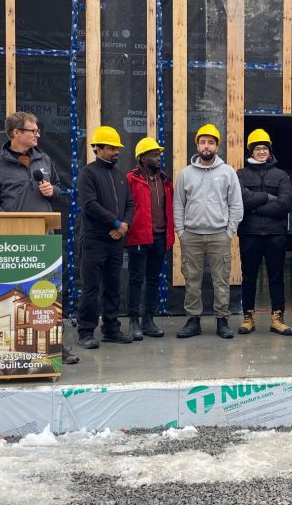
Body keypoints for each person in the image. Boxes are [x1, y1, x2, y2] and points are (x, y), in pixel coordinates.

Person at [0, 110, 79, 364]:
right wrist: (7, 221)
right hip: (10, 243)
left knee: (46, 295)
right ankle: (10, 349)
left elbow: (59, 189)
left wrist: (51, 189)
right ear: (16, 133)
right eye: (32, 130)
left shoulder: (43, 159)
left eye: (37, 130)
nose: (38, 134)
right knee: (14, 295)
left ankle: (52, 347)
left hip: (43, 236)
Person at [174, 123, 243, 340]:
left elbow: (236, 204)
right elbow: (178, 205)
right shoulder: (185, 174)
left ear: (217, 146)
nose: (206, 146)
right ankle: (193, 320)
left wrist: (229, 231)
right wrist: (181, 232)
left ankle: (222, 320)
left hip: (219, 235)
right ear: (197, 145)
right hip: (191, 235)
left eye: (211, 143)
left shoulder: (228, 172)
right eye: (203, 142)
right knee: (192, 278)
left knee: (220, 279)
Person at [76, 125, 135, 349]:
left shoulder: (120, 176)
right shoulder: (88, 173)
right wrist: (115, 223)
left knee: (113, 286)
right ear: (98, 149)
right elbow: (90, 205)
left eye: (117, 148)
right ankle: (86, 331)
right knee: (91, 288)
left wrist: (123, 226)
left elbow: (130, 204)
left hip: (116, 241)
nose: (116, 152)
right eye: (111, 148)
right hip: (94, 241)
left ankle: (111, 329)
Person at [236, 129, 292, 336]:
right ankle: (248, 318)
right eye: (257, 148)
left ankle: (278, 318)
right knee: (248, 276)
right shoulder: (240, 174)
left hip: (275, 235)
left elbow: (285, 204)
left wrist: (255, 206)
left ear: (270, 151)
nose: (262, 151)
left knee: (276, 277)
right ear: (251, 150)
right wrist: (269, 198)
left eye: (265, 148)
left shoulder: (281, 175)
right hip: (249, 234)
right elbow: (241, 200)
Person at [125, 137, 174, 340]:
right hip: (138, 236)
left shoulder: (164, 179)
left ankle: (148, 320)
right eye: (154, 155)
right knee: (136, 280)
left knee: (154, 279)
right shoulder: (130, 179)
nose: (158, 158)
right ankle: (133, 320)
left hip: (160, 236)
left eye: (159, 154)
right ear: (142, 158)